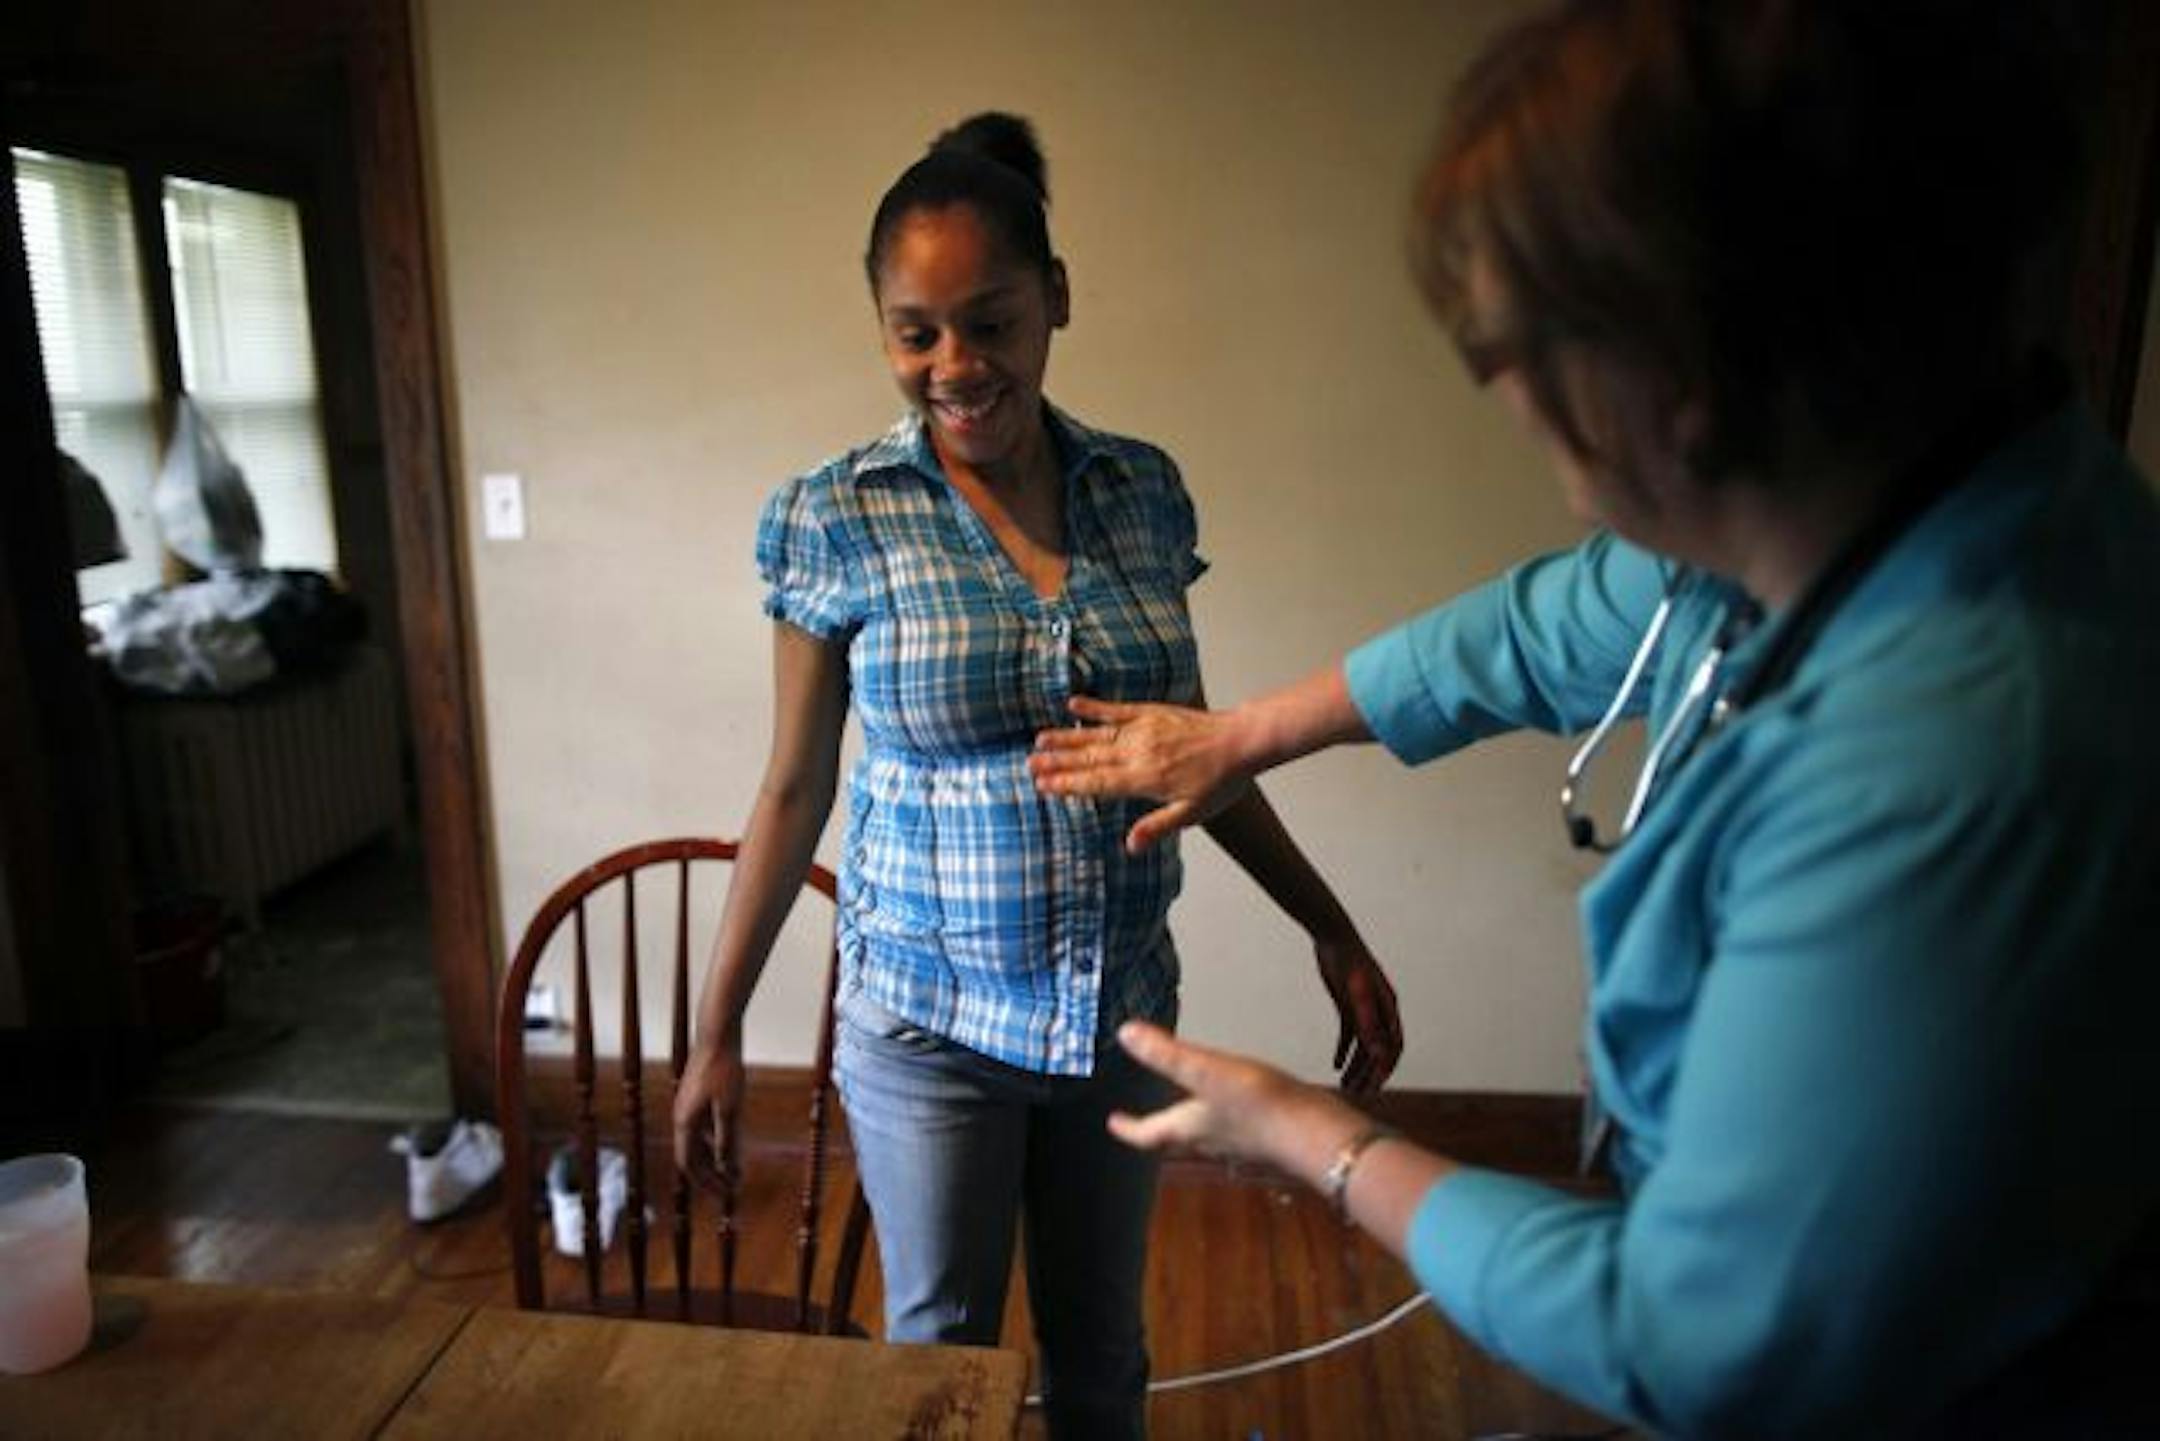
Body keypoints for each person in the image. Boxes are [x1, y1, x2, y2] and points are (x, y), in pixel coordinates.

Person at [1028, 2, 2160, 1436]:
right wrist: (1241, 733)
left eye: (1517, 357)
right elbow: (1530, 627)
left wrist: (1312, 1137)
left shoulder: (1957, 771)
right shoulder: (1876, 474)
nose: (1507, 401)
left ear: (1678, 386)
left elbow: (1694, 1340)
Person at [670, 112, 1402, 1439]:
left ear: (1053, 299)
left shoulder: (1141, 491)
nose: (955, 364)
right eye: (916, 330)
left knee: (1102, 1361)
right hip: (929, 1027)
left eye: (990, 320)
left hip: (1115, 1013)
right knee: (935, 1366)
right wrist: (718, 1031)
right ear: (884, 330)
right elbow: (791, 789)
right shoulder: (836, 516)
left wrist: (1328, 920)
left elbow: (1198, 747)